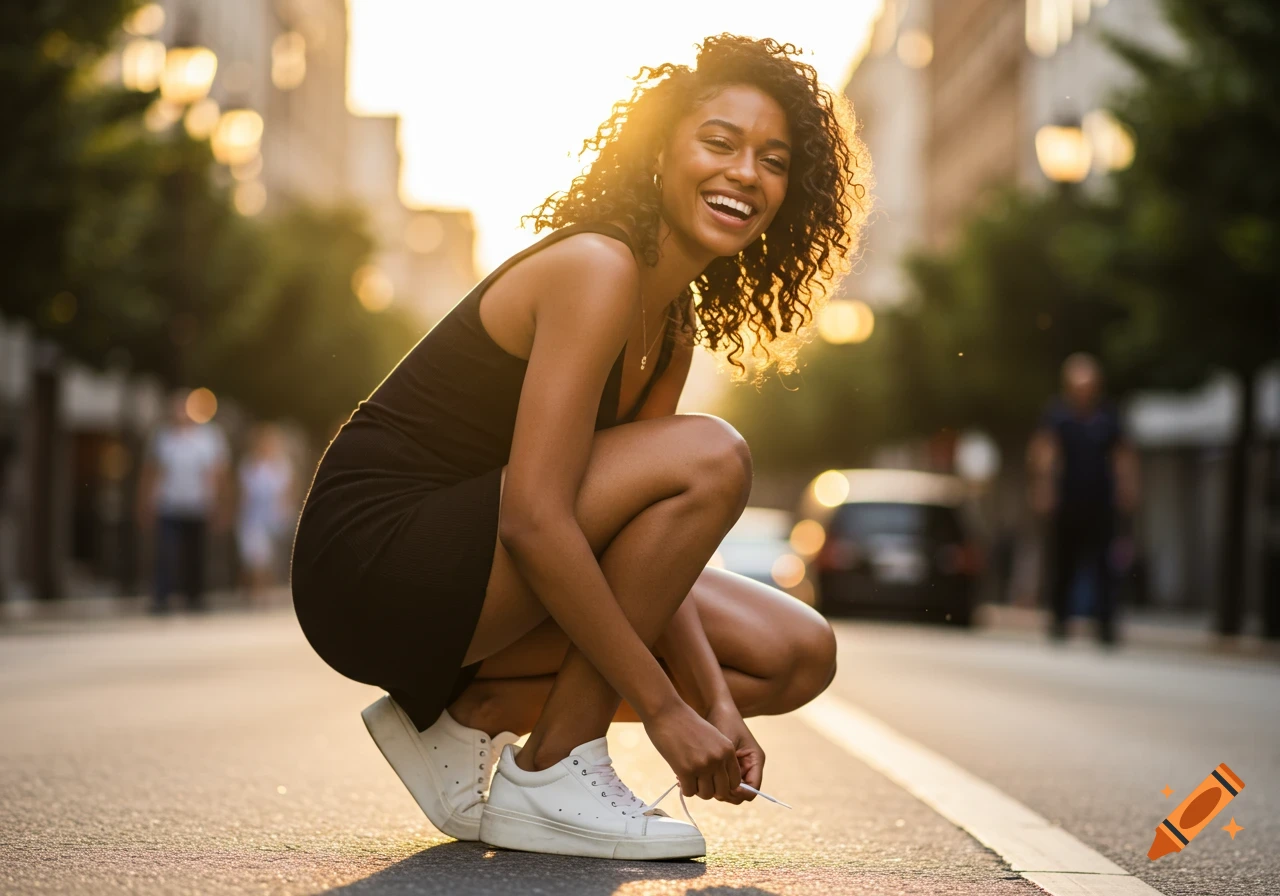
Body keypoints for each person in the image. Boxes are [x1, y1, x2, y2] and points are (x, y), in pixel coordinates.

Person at [291, 34, 866, 860]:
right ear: (660, 151)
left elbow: (648, 555)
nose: (746, 172)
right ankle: (556, 766)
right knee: (715, 453)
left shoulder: (671, 329)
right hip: (374, 566)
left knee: (795, 656)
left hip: (474, 574)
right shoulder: (597, 267)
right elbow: (534, 518)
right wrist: (665, 712)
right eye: (718, 142)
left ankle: (469, 721)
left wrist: (712, 701)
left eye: (773, 160)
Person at [1028, 353, 1140, 645]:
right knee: (1063, 563)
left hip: (1100, 503)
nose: (1084, 391)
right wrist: (1044, 487)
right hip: (1067, 502)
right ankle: (1059, 621)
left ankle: (1105, 625)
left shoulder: (1108, 415)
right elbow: (1045, 451)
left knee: (1105, 566)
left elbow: (1122, 454)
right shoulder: (1057, 414)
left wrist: (1127, 487)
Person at [137, 390, 231, 613]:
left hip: (198, 506)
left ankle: (195, 597)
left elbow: (218, 474)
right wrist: (144, 503)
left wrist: (222, 504)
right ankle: (162, 596)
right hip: (169, 504)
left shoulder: (209, 437)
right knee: (166, 553)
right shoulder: (164, 437)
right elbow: (151, 472)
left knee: (195, 554)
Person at [235, 423, 295, 606]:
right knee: (257, 557)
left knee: (267, 559)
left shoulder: (283, 466)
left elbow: (288, 492)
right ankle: (255, 593)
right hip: (253, 518)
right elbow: (243, 494)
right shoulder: (249, 466)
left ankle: (261, 592)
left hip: (275, 518)